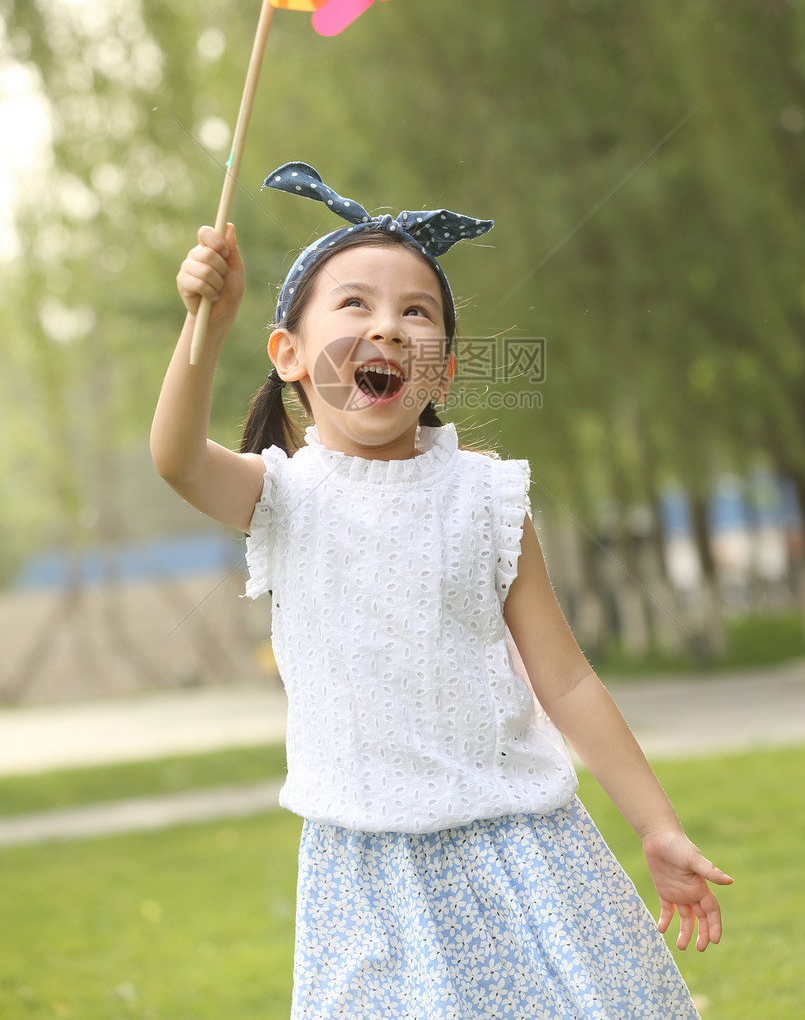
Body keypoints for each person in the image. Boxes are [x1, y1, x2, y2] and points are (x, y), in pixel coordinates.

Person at [151, 163, 732, 1020]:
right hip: (367, 868)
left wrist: (657, 824)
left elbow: (566, 681)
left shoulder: (486, 495)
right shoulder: (284, 496)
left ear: (445, 372)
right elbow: (176, 458)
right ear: (288, 355)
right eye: (355, 305)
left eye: (415, 312)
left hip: (520, 841)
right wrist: (207, 323)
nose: (387, 326)